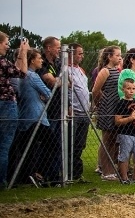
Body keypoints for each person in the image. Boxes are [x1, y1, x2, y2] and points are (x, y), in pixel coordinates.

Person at [12, 48, 51, 186]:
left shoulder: (20, 77)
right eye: (39, 58)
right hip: (37, 117)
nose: (41, 60)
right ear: (32, 60)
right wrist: (44, 96)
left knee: (26, 149)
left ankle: (25, 176)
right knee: (53, 146)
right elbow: (48, 93)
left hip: (24, 117)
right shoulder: (32, 76)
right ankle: (40, 173)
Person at [0, 33, 29, 187]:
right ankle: (1, 181)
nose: (8, 46)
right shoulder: (2, 62)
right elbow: (22, 73)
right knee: (4, 145)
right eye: (5, 43)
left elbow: (13, 71)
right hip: (5, 104)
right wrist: (23, 53)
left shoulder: (5, 63)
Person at [92, 46, 123, 181]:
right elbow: (95, 91)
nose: (119, 57)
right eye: (117, 55)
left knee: (112, 141)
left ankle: (110, 169)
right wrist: (101, 104)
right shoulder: (105, 71)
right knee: (106, 140)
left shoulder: (117, 70)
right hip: (107, 109)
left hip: (116, 108)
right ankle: (105, 170)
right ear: (109, 56)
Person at [37, 36, 62, 183]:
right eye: (57, 47)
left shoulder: (58, 63)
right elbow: (50, 81)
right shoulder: (43, 63)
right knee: (48, 143)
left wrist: (59, 81)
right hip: (48, 108)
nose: (59, 50)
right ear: (48, 48)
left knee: (58, 144)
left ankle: (54, 174)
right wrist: (60, 80)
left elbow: (68, 82)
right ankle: (43, 174)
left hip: (60, 106)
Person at [114, 78, 135, 184]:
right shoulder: (120, 103)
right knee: (124, 156)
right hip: (125, 133)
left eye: (134, 88)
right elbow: (117, 121)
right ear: (123, 89)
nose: (131, 91)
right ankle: (124, 178)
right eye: (128, 88)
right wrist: (130, 118)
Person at [67, 43, 91, 182]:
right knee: (71, 143)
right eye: (79, 53)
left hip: (84, 111)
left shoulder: (80, 70)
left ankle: (77, 173)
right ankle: (68, 172)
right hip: (74, 111)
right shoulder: (66, 70)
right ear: (71, 54)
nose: (82, 56)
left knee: (80, 145)